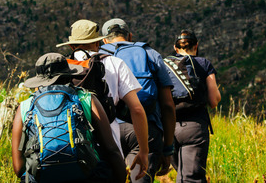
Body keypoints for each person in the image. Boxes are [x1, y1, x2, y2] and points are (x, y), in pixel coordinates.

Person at [56, 19, 149, 181]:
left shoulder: (61, 67)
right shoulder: (115, 63)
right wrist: (144, 151)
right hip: (109, 149)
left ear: (71, 46)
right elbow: (137, 109)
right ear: (98, 42)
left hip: (68, 148)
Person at [12, 53, 127, 183]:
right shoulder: (86, 99)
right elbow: (111, 150)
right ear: (68, 75)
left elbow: (18, 168)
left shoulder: (25, 106)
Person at [100, 18, 176, 183]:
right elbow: (168, 105)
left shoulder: (97, 56)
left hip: (107, 131)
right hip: (146, 131)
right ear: (130, 36)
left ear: (104, 40)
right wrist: (168, 148)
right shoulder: (150, 54)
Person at [165, 30, 221, 183]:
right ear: (196, 46)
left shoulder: (164, 65)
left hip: (169, 128)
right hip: (195, 126)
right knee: (192, 177)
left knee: (181, 175)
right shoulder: (203, 64)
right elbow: (214, 101)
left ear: (175, 48)